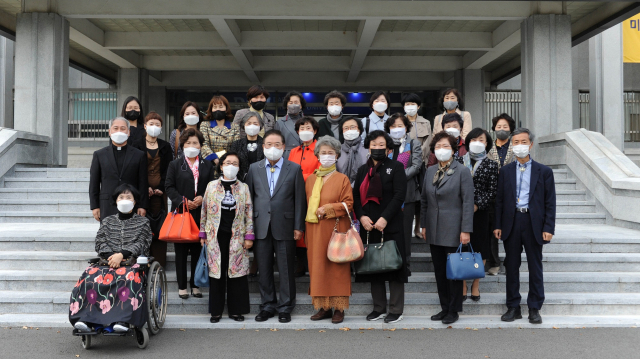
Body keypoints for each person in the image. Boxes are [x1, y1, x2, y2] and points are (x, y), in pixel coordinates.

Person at [70, 184, 152, 333]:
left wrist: (122, 255)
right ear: (115, 200)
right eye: (121, 197)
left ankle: (123, 320)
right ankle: (86, 319)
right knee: (89, 276)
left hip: (130, 262)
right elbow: (100, 242)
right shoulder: (107, 221)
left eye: (129, 197)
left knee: (129, 277)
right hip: (107, 262)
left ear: (135, 202)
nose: (124, 200)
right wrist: (111, 257)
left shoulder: (143, 222)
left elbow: (142, 243)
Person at [494, 128, 556, 325]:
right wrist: (498, 224)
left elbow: (550, 202)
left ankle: (535, 307)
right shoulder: (504, 171)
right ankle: (513, 306)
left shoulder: (544, 171)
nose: (519, 145)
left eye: (523, 141)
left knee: (535, 267)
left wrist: (548, 227)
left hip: (533, 223)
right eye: (516, 142)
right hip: (511, 222)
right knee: (511, 266)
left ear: (530, 144)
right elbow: (499, 201)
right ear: (512, 145)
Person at [245, 129, 307, 323]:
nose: (273, 148)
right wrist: (249, 228)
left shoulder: (294, 168)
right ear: (263, 147)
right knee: (263, 268)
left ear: (284, 147)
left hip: (286, 225)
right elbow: (249, 200)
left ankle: (286, 307)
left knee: (286, 268)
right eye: (269, 145)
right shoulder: (254, 168)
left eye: (277, 145)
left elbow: (300, 200)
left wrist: (299, 226)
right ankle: (267, 305)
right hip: (260, 225)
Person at [353, 130, 408, 324]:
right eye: (374, 144)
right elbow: (355, 199)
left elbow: (400, 195)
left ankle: (395, 309)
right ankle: (378, 307)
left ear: (388, 148)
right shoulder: (362, 170)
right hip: (368, 226)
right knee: (373, 266)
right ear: (368, 147)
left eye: (381, 145)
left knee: (393, 266)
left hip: (390, 224)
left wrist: (385, 218)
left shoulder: (396, 167)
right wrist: (362, 217)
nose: (377, 148)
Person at [421, 131, 474, 325]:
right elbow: (424, 200)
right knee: (439, 271)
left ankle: (454, 309)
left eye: (446, 146)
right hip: (434, 228)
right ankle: (444, 307)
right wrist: (423, 224)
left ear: (453, 150)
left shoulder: (462, 171)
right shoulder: (430, 171)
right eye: (438, 147)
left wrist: (466, 230)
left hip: (454, 229)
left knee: (454, 272)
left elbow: (468, 203)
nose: (441, 150)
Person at [199, 152, 253, 323]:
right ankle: (216, 311)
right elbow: (204, 211)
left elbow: (248, 212)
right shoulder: (211, 186)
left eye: (235, 163)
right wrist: (203, 233)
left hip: (237, 236)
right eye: (228, 162)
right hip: (215, 236)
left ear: (239, 167)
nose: (231, 165)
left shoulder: (243, 187)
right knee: (217, 274)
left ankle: (236, 310)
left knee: (236, 273)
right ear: (221, 166)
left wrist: (249, 235)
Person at [305, 136, 353, 324]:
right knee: (318, 267)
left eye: (330, 153)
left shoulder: (342, 179)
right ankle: (323, 308)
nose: (326, 156)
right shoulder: (310, 180)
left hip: (336, 229)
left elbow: (349, 204)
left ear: (337, 156)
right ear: (317, 155)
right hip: (315, 230)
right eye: (323, 153)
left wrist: (329, 208)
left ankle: (339, 309)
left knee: (337, 267)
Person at [165, 128, 215, 300]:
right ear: (182, 146)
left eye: (195, 143)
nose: (192, 146)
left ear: (201, 146)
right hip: (182, 213)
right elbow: (169, 187)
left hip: (201, 213)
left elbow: (212, 185)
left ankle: (195, 285)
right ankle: (181, 286)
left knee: (197, 251)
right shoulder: (175, 164)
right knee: (180, 252)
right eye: (188, 143)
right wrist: (183, 200)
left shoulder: (207, 165)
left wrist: (203, 197)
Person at [459, 128, 498, 302]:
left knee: (480, 249)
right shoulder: (459, 161)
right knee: (462, 247)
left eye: (481, 139)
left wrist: (477, 205)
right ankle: (462, 284)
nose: (477, 142)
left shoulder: (492, 165)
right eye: (473, 139)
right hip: (459, 211)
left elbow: (492, 191)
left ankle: (475, 283)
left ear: (487, 143)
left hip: (481, 213)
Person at [132, 111, 173, 266]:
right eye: (151, 124)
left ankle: (159, 263)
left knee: (160, 226)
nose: (154, 127)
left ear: (161, 127)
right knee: (142, 225)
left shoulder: (165, 146)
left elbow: (169, 169)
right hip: (141, 191)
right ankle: (142, 262)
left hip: (160, 193)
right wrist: (144, 187)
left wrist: (162, 187)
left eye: (157, 124)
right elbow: (134, 168)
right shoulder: (136, 144)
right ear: (145, 126)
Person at [89, 117, 148, 222]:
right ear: (109, 131)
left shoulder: (139, 155)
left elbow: (143, 182)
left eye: (123, 128)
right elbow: (94, 183)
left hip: (132, 204)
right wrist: (94, 206)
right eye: (115, 128)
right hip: (107, 205)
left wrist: (142, 205)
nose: (119, 131)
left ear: (129, 132)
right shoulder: (99, 155)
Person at [384, 113, 422, 273]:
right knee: (389, 231)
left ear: (406, 127)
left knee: (406, 232)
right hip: (388, 195)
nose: (397, 129)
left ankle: (405, 265)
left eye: (400, 125)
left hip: (407, 194)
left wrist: (398, 176)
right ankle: (390, 262)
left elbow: (416, 165)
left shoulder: (414, 144)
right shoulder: (384, 145)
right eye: (393, 126)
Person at [287, 116, 321, 276]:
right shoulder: (294, 151)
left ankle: (314, 265)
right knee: (298, 229)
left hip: (314, 194)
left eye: (308, 128)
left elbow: (320, 171)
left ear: (314, 131)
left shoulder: (320, 149)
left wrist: (301, 177)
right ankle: (300, 264)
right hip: (294, 196)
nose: (305, 131)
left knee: (312, 229)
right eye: (302, 129)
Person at [486, 113, 517, 276]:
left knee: (510, 231)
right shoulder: (487, 148)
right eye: (499, 127)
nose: (502, 129)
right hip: (491, 196)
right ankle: (494, 262)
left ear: (511, 129)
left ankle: (510, 262)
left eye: (505, 127)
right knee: (492, 230)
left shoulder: (516, 148)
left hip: (510, 195)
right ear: (494, 129)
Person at [401, 93, 432, 240]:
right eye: (407, 104)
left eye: (413, 104)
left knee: (420, 198)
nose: (410, 107)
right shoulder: (399, 121)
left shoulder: (425, 122)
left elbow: (428, 142)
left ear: (418, 106)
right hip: (404, 163)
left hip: (421, 163)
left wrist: (418, 156)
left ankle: (418, 227)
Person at [200, 95, 238, 163]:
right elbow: (204, 144)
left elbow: (236, 146)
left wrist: (226, 160)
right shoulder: (205, 125)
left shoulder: (235, 127)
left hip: (228, 163)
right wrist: (214, 158)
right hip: (210, 163)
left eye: (221, 107)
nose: (218, 109)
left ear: (226, 109)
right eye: (215, 107)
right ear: (211, 110)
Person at [229, 112, 265, 182]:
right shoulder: (236, 144)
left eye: (255, 124)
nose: (252, 126)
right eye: (249, 123)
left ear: (260, 126)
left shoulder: (265, 144)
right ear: (243, 126)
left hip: (261, 180)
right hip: (241, 181)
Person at [336, 116, 368, 187]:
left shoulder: (367, 149)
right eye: (346, 128)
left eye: (353, 127)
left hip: (362, 189)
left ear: (359, 129)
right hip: (341, 188)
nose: (349, 130)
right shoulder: (337, 150)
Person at [274, 91, 306, 157]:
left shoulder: (309, 122)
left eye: (296, 102)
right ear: (287, 106)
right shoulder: (280, 123)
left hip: (306, 155)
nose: (293, 105)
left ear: (301, 106)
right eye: (290, 103)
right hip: (287, 156)